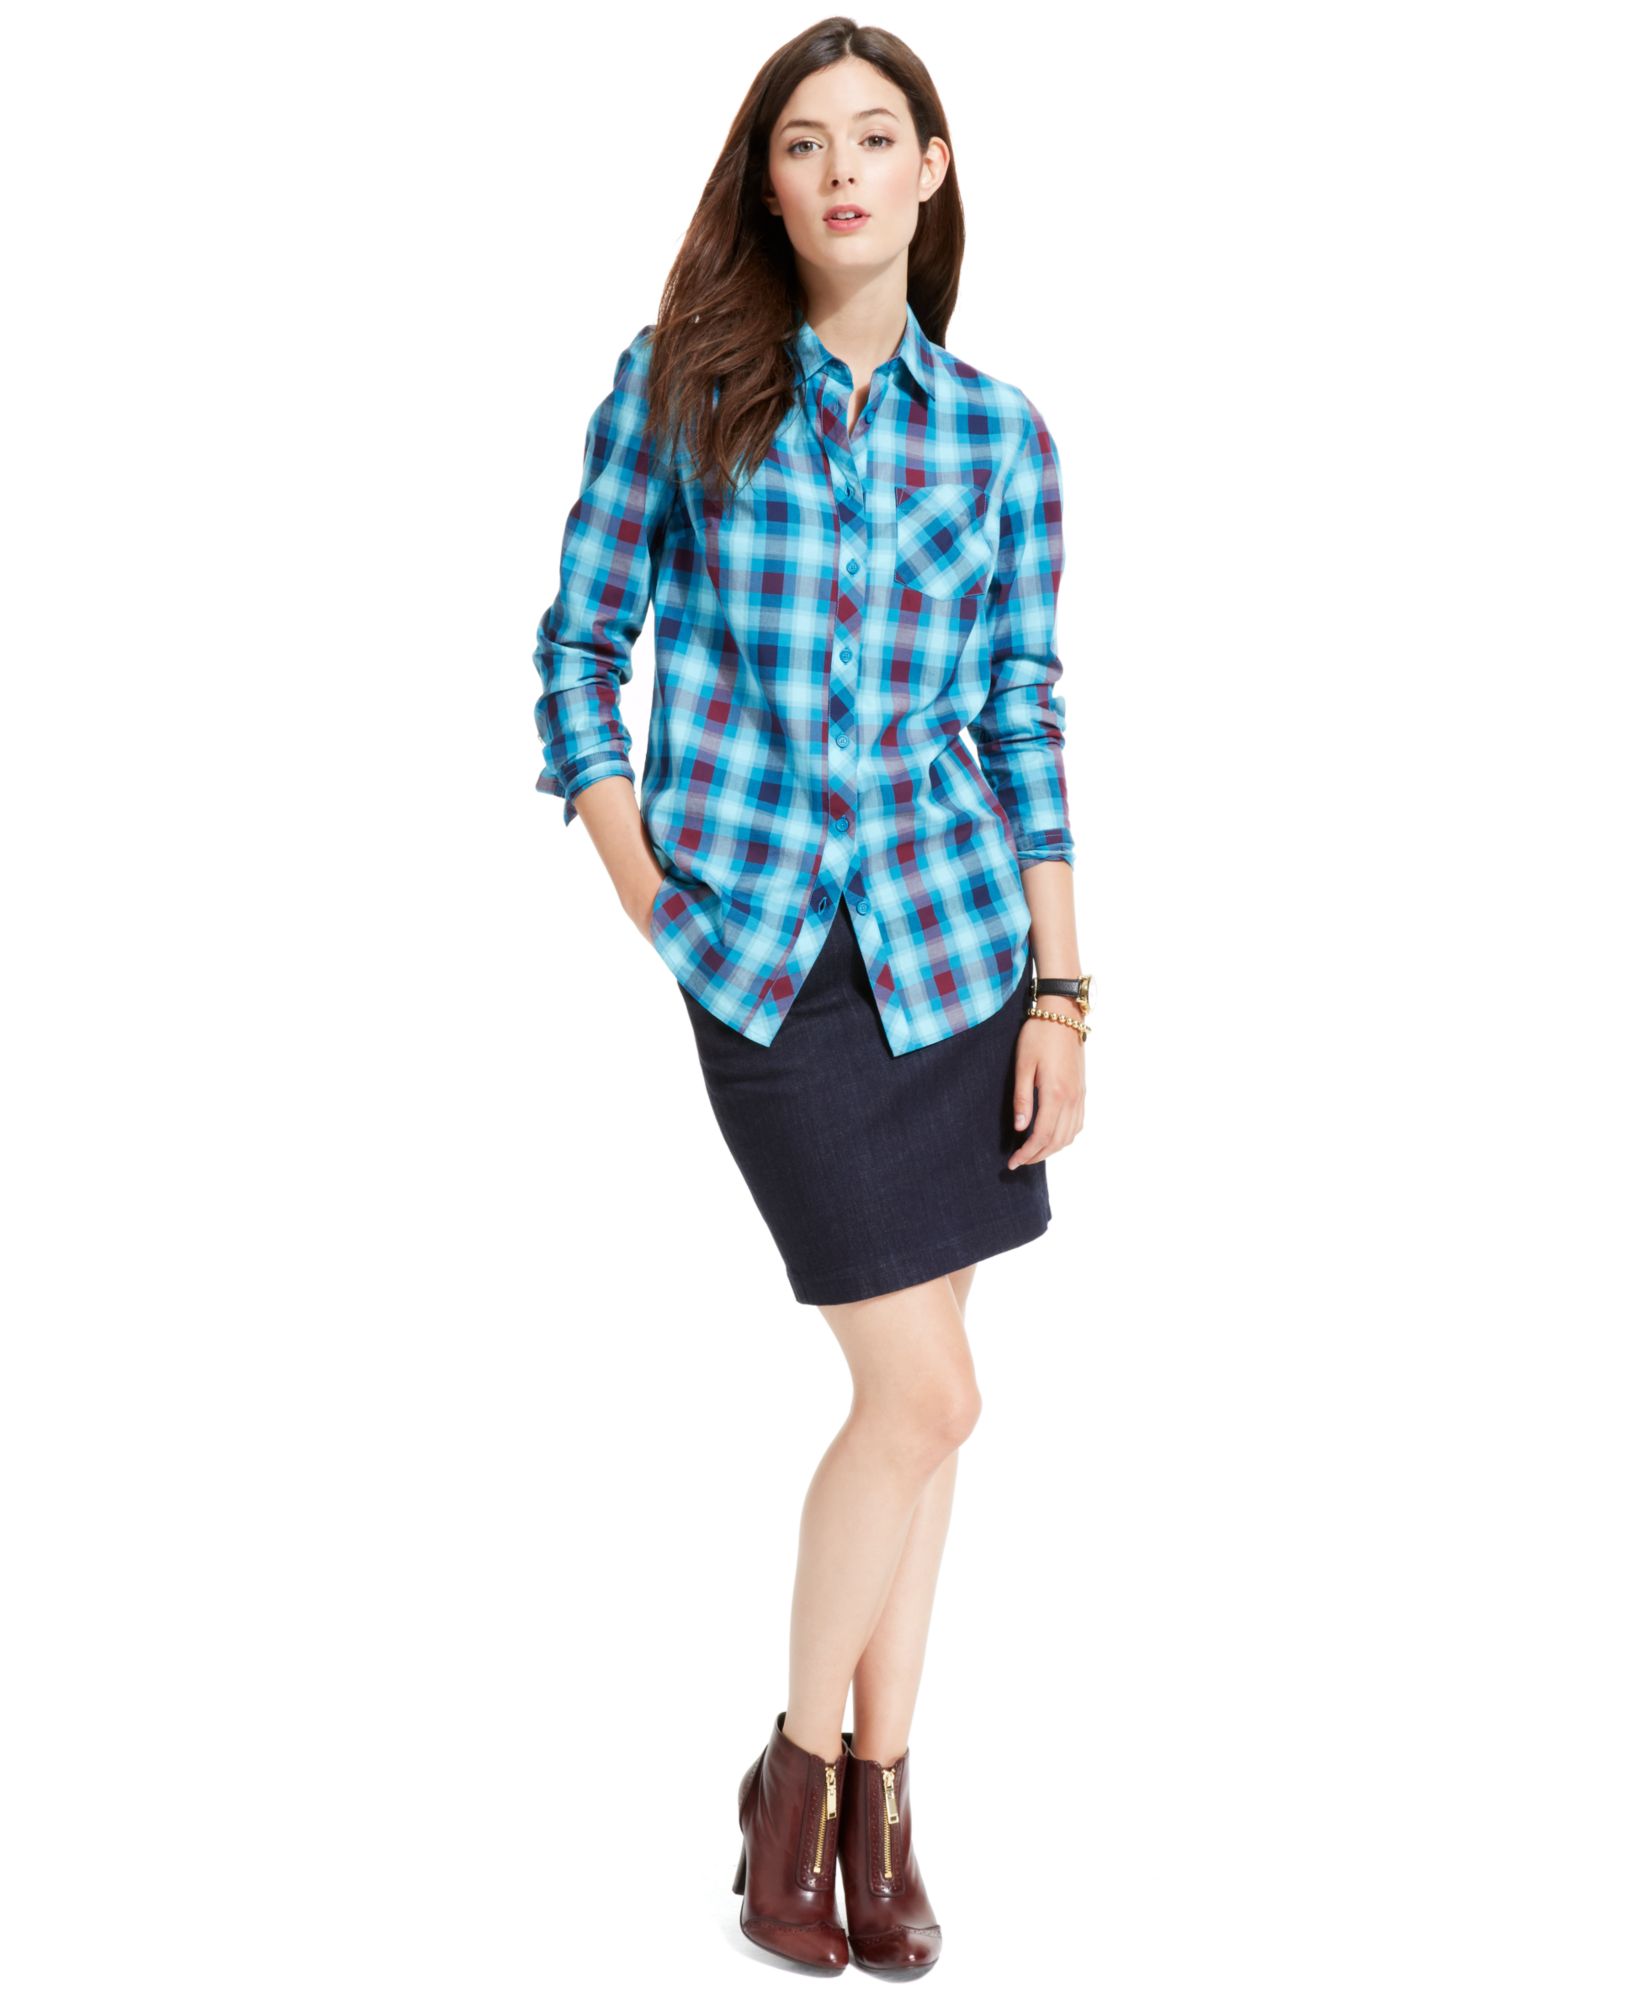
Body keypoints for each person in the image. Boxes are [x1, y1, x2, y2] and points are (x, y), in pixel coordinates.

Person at [531, 20, 1089, 1974]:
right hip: (768, 962)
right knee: (923, 1390)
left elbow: (1023, 717)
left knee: (927, 1417)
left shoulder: (999, 435)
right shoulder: (678, 389)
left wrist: (1064, 993)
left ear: (932, 169)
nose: (839, 170)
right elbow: (574, 653)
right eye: (800, 143)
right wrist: (644, 891)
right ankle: (792, 1771)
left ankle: (880, 1800)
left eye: (874, 136)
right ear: (765, 185)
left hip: (957, 955)